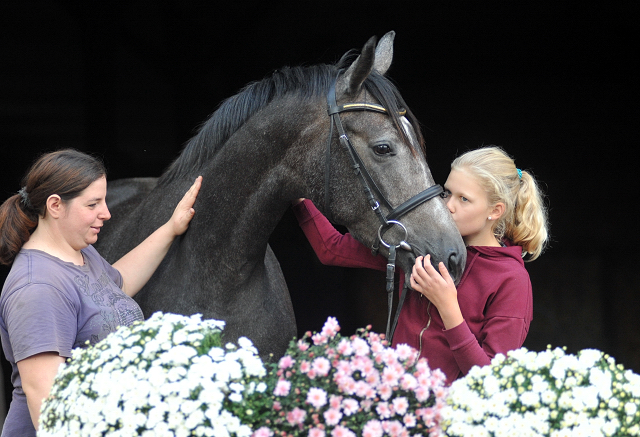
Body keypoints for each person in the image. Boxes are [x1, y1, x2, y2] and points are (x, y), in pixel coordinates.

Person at [292, 146, 548, 384]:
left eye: (464, 199)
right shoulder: (420, 245)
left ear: (495, 210)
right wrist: (298, 195)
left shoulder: (512, 279)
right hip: (393, 404)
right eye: (447, 193)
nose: (448, 205)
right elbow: (332, 248)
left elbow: (490, 379)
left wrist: (447, 306)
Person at [0, 149, 202, 435]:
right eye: (93, 204)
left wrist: (171, 228)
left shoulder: (80, 252)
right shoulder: (38, 288)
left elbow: (113, 290)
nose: (106, 213)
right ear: (55, 205)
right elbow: (48, 405)